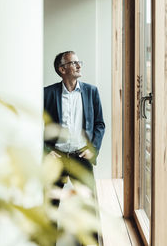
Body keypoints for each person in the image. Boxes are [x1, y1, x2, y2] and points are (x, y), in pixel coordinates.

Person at [43, 51, 105, 244]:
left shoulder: (91, 92)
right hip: (57, 158)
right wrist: (46, 150)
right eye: (74, 63)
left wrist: (92, 148)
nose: (79, 66)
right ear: (62, 69)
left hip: (81, 157)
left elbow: (99, 124)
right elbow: (36, 125)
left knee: (88, 205)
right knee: (50, 204)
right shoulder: (47, 93)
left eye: (79, 62)